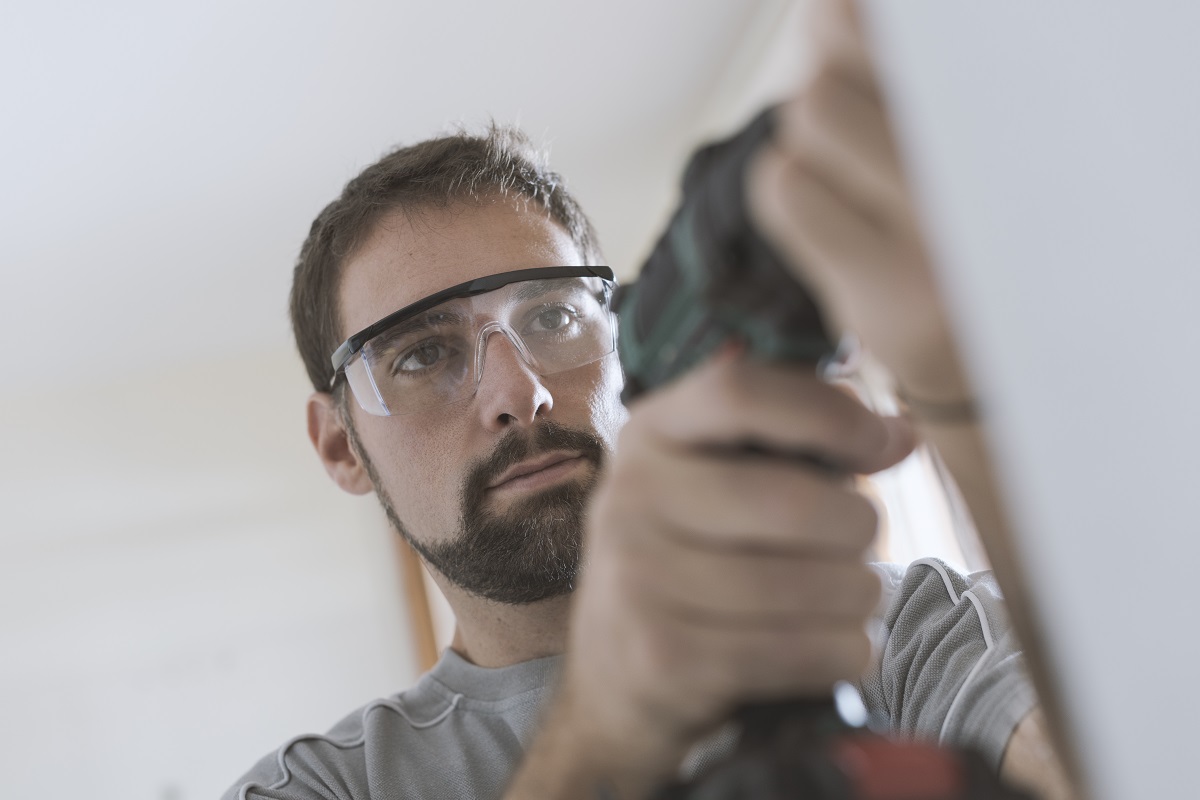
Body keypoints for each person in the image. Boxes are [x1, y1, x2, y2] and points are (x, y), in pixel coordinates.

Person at [224, 4, 1073, 799]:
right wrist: (599, 739)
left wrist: (962, 384)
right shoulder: (325, 786)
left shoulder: (899, 630)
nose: (521, 390)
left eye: (553, 316)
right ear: (339, 445)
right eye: (423, 354)